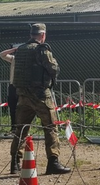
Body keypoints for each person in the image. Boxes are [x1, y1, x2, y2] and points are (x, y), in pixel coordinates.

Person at [9, 23, 70, 176]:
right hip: (40, 95)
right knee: (50, 127)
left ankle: (15, 163)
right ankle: (53, 162)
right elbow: (54, 68)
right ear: (43, 35)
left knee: (21, 129)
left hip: (22, 95)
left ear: (31, 34)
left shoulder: (20, 49)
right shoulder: (41, 49)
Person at [0, 47, 18, 127]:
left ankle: (23, 128)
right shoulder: (14, 59)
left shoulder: (29, 60)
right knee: (12, 107)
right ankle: (14, 127)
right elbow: (1, 54)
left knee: (23, 108)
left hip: (23, 86)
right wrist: (13, 49)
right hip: (13, 85)